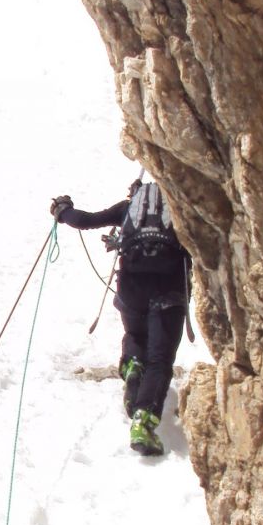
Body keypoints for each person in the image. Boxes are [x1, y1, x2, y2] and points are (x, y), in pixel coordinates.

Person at [50, 178, 191, 456]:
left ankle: (132, 368)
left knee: (136, 335)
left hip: (131, 288)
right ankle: (143, 422)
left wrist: (62, 210)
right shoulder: (181, 210)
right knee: (160, 360)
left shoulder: (128, 209)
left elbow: (86, 220)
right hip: (169, 291)